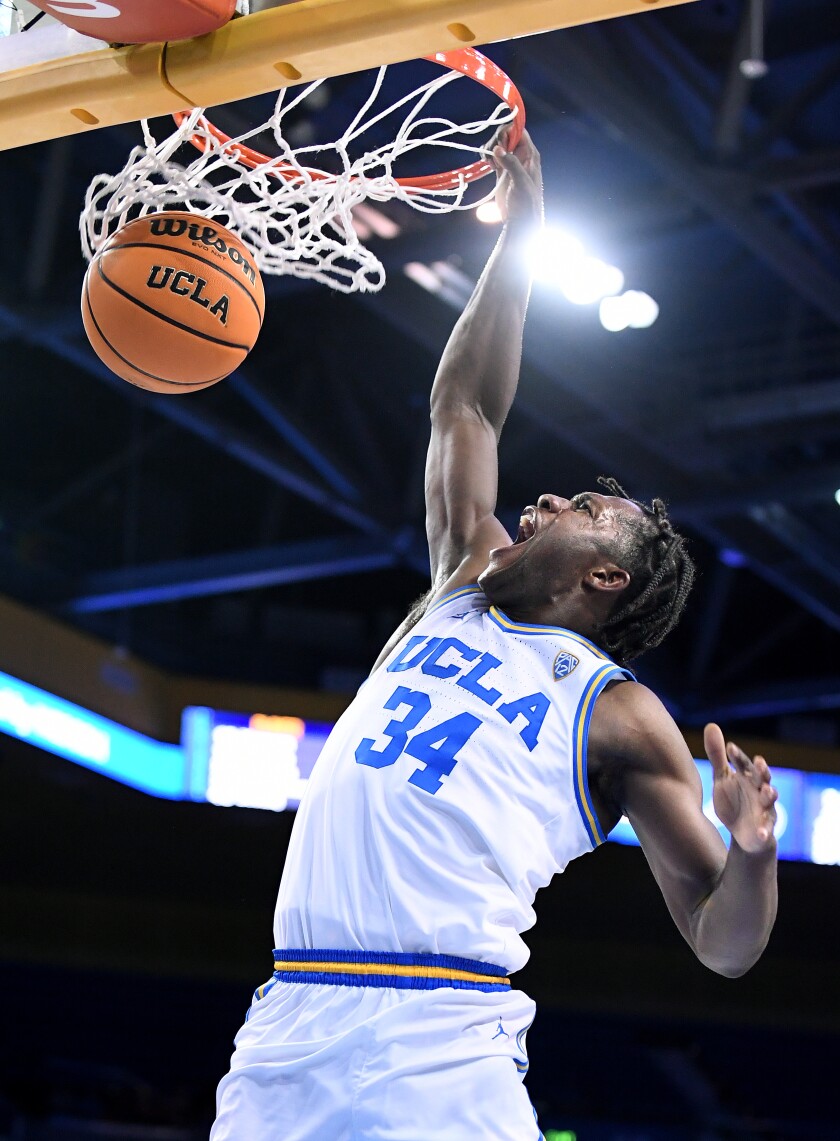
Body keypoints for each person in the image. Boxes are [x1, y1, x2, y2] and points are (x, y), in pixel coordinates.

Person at [210, 131, 779, 1141]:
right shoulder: (463, 584)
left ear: (607, 575)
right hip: (285, 1029)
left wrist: (754, 850)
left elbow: (721, 943)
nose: (549, 494)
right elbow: (466, 404)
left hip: (438, 1036)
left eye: (586, 508)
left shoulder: (621, 716)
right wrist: (521, 239)